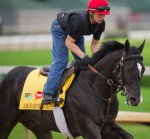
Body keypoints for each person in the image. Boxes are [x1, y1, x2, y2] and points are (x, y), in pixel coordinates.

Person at [42, 0, 110, 104]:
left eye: (104, 15)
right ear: (91, 12)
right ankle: (48, 93)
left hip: (76, 31)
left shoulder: (101, 24)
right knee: (61, 60)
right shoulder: (80, 21)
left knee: (83, 63)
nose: (102, 17)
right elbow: (69, 43)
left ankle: (84, 91)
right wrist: (84, 56)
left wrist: (97, 59)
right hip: (60, 28)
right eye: (100, 14)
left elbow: (95, 44)